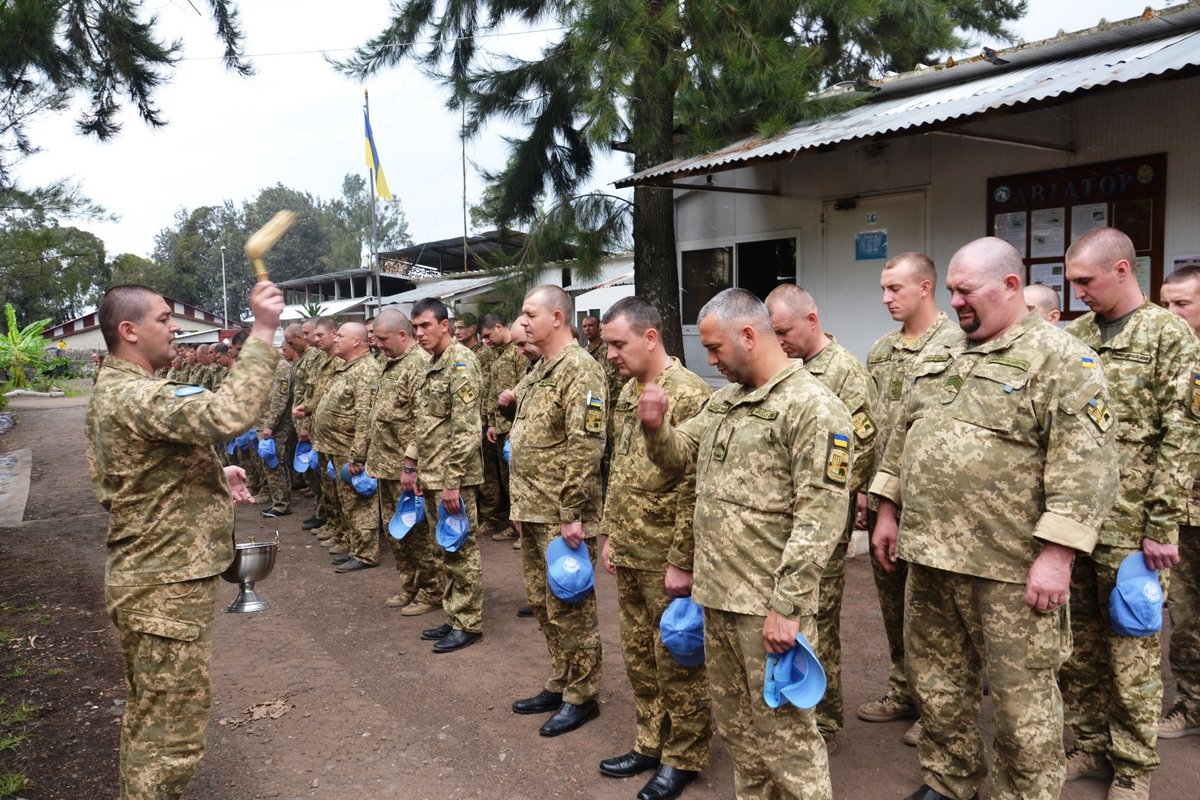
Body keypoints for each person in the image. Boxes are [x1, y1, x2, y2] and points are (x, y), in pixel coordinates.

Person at [871, 236, 1118, 800]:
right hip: (929, 555)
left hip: (1009, 569)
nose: (956, 302)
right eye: (952, 290)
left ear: (1010, 286)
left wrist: (1057, 556)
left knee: (1019, 701)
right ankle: (950, 777)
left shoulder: (1062, 360)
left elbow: (1089, 467)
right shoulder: (941, 352)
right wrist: (888, 508)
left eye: (966, 290)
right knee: (937, 683)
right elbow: (902, 438)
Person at [640, 287, 849, 800]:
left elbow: (820, 517)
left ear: (749, 336)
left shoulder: (813, 408)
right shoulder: (725, 402)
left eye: (715, 349)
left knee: (788, 741)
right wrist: (654, 427)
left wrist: (789, 606)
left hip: (767, 608)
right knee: (740, 734)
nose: (710, 360)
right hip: (718, 599)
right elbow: (678, 456)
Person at [86, 280, 285, 800]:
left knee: (150, 717)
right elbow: (227, 414)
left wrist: (216, 477)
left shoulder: (116, 389)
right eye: (162, 319)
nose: (175, 328)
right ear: (128, 331)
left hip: (152, 581)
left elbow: (133, 480)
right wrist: (264, 328)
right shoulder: (135, 394)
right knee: (170, 737)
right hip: (162, 590)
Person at [1060, 227, 1200, 799]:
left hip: (1133, 531)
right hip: (1077, 523)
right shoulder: (1077, 335)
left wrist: (1162, 524)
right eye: (1071, 282)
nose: (1079, 292)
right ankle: (1091, 745)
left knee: (1132, 653)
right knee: (1080, 650)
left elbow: (1182, 434)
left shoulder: (1170, 337)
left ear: (1122, 270)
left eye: (1086, 281)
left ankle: (1134, 768)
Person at [597, 296, 713, 800]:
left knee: (678, 659)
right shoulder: (629, 391)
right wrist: (609, 533)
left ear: (650, 338)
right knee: (640, 656)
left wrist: (682, 560)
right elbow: (618, 468)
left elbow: (693, 485)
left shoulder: (687, 394)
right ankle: (649, 741)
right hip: (631, 547)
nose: (610, 356)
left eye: (618, 344)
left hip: (667, 554)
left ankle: (683, 756)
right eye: (606, 346)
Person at [766, 283, 876, 750]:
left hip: (820, 523)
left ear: (811, 320)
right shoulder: (788, 370)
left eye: (784, 330)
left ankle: (825, 721)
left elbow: (864, 450)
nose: (779, 340)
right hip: (783, 524)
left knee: (817, 619)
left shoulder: (845, 373)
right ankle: (794, 704)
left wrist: (817, 497)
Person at [859, 252, 962, 745]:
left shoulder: (958, 345)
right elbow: (871, 428)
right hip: (886, 501)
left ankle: (937, 707)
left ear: (925, 288)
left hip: (934, 507)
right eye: (883, 289)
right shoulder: (880, 351)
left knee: (935, 619)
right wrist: (867, 490)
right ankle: (904, 689)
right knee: (893, 604)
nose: (885, 299)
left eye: (895, 289)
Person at [507, 285, 606, 736]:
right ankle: (562, 677)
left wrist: (571, 512)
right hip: (533, 508)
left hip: (562, 514)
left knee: (571, 604)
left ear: (557, 318)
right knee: (543, 603)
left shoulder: (580, 371)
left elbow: (586, 446)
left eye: (530, 314)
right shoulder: (542, 368)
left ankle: (582, 695)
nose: (523, 322)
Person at [403, 298, 486, 653]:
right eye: (415, 327)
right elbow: (427, 423)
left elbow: (467, 429)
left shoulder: (461, 363)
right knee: (444, 550)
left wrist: (452, 480)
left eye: (425, 326)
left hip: (455, 477)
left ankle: (468, 622)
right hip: (435, 473)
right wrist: (416, 464)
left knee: (460, 549)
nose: (418, 333)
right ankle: (454, 615)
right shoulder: (432, 364)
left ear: (444, 325)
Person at [367, 309, 442, 616]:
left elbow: (422, 421)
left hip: (408, 469)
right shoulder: (389, 364)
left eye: (383, 339)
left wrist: (412, 465)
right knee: (395, 533)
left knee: (417, 533)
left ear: (402, 334)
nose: (378, 345)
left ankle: (431, 589)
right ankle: (409, 584)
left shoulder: (419, 366)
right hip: (385, 465)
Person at [1159, 265, 1200, 739]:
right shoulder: (1169, 358)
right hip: (1181, 513)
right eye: (1166, 304)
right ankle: (1192, 704)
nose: (1171, 314)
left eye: (1181, 304)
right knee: (1185, 616)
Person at [313, 322, 383, 573]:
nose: (335, 339)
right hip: (337, 446)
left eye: (341, 336)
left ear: (356, 341)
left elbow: (366, 417)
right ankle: (355, 546)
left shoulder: (366, 370)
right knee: (347, 501)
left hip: (350, 448)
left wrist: (358, 455)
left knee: (359, 502)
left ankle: (366, 553)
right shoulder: (348, 368)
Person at [456, 313, 503, 538]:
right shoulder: (465, 354)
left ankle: (492, 515)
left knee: (489, 472)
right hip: (480, 419)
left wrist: (488, 420)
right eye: (455, 328)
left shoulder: (485, 354)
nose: (457, 332)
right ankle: (487, 513)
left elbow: (485, 389)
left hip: (485, 420)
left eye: (461, 327)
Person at [481, 313, 521, 542]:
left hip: (514, 428)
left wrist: (515, 425)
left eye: (488, 336)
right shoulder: (495, 355)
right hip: (499, 428)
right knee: (505, 480)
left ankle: (522, 530)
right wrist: (491, 422)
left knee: (517, 480)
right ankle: (512, 524)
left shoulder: (518, 351)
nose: (486, 341)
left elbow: (523, 390)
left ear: (498, 326)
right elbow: (492, 391)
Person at [256, 339, 294, 518]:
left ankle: (281, 503)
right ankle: (280, 499)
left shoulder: (281, 368)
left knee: (273, 462)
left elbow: (280, 399)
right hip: (265, 423)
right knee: (274, 462)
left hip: (275, 425)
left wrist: (270, 425)